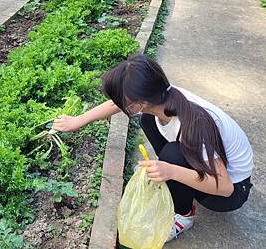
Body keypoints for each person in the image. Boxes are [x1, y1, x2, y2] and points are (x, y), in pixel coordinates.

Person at [52, 54, 254, 241]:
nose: (119, 105)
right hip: (210, 165)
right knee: (149, 121)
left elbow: (226, 188)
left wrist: (171, 171)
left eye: (125, 102)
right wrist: (78, 120)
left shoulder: (194, 125)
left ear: (139, 103)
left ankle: (184, 215)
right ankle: (174, 175)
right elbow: (116, 105)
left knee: (173, 156)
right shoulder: (163, 96)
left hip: (233, 191)